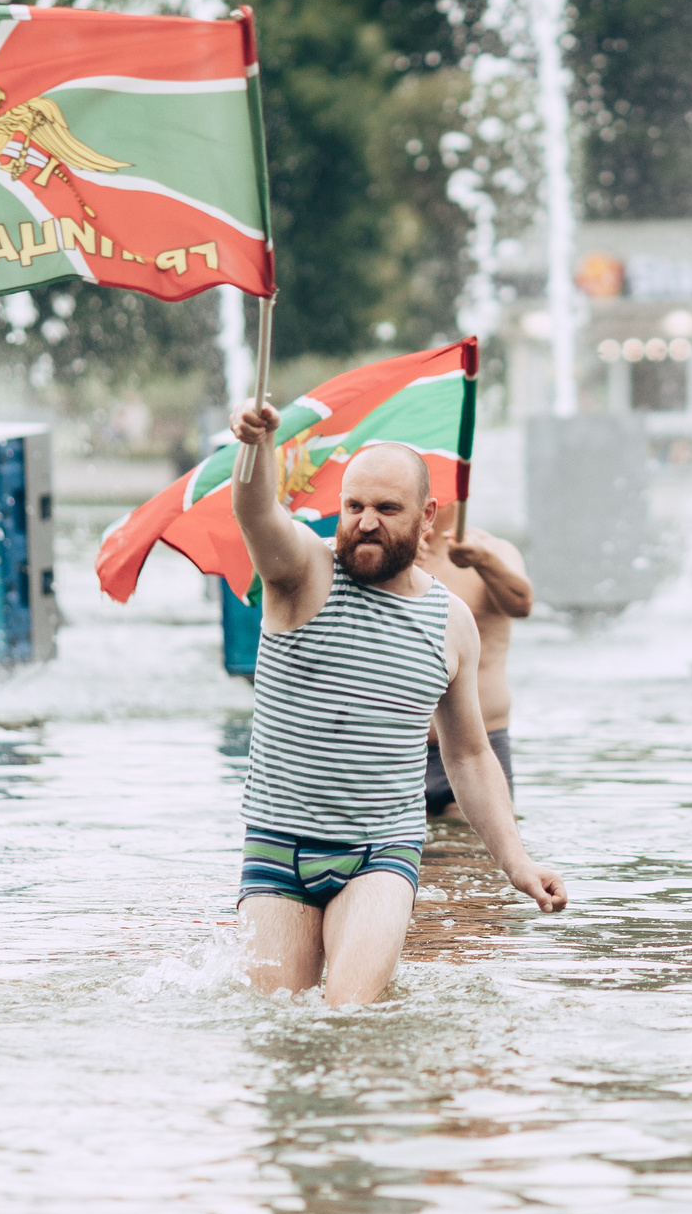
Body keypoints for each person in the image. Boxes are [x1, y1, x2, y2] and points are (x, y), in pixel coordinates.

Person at [228, 403, 566, 1004]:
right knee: (278, 1026)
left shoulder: (451, 622)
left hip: (379, 852)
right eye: (354, 506)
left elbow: (468, 756)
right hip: (280, 844)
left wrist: (517, 862)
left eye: (386, 509)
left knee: (348, 1018)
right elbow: (256, 513)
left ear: (426, 516)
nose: (364, 522)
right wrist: (258, 447)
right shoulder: (301, 573)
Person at [420, 506, 532, 818]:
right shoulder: (385, 558)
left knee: (476, 862)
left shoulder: (493, 550)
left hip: (480, 744)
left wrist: (482, 561)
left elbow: (521, 604)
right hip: (397, 748)